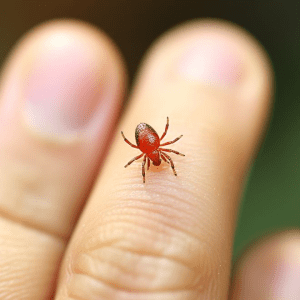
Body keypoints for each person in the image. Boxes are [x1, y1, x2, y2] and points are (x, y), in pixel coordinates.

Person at [1, 18, 296, 300]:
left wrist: (150, 152)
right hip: (149, 135)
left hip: (148, 136)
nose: (156, 161)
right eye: (153, 159)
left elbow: (152, 145)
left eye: (155, 158)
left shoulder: (151, 151)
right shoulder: (152, 150)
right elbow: (158, 143)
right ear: (149, 152)